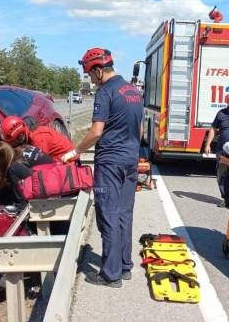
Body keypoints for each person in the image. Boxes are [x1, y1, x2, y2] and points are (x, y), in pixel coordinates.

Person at [72, 47, 144, 288]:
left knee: (109, 215)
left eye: (91, 76)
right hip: (130, 160)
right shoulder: (133, 91)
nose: (91, 81)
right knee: (124, 214)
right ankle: (124, 266)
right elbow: (140, 129)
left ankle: (110, 274)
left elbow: (96, 132)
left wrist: (76, 151)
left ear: (99, 70)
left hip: (111, 162)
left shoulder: (106, 92)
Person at [0, 141, 54, 209]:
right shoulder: (21, 148)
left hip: (50, 184)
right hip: (54, 174)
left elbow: (22, 186)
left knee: (13, 171)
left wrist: (3, 183)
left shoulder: (18, 163)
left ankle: (21, 206)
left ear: (0, 158)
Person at [0, 116, 76, 162]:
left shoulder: (37, 138)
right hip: (57, 158)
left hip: (68, 161)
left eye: (11, 143)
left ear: (18, 138)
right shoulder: (28, 134)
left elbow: (41, 162)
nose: (10, 145)